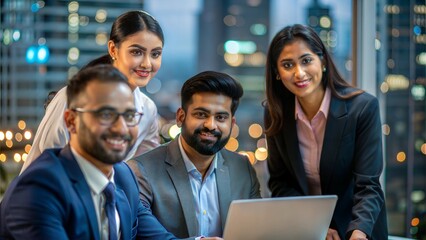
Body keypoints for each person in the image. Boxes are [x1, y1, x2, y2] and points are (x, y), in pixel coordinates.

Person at [0, 65, 177, 239]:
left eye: (129, 116)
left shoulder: (124, 177)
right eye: (106, 115)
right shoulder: (38, 189)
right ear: (71, 121)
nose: (121, 128)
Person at [264, 24, 388, 240]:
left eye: (306, 60)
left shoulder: (363, 108)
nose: (299, 73)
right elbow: (280, 183)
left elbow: (368, 186)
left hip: (359, 230)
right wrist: (315, 226)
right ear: (277, 73)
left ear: (322, 61)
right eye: (287, 64)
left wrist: (358, 233)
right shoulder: (275, 112)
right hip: (308, 232)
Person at [21, 10, 164, 173]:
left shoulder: (148, 110)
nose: (147, 63)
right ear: (113, 49)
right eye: (136, 52)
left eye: (155, 54)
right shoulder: (71, 98)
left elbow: (144, 172)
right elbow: (49, 166)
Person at [127, 71, 261, 239]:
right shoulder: (141, 171)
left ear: (231, 123)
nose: (211, 125)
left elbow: (256, 231)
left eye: (220, 117)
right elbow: (142, 237)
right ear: (180, 117)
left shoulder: (243, 168)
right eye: (201, 114)